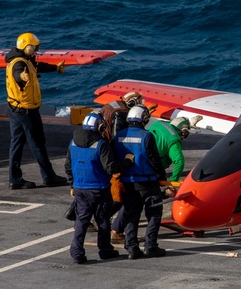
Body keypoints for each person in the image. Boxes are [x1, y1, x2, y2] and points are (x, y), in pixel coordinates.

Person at [5, 32, 68, 189]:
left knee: (16, 144)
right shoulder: (20, 64)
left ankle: (15, 179)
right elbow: (18, 74)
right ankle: (49, 176)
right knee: (37, 143)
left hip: (15, 109)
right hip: (26, 111)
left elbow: (38, 66)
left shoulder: (24, 60)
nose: (36, 51)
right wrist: (22, 77)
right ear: (26, 46)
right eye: (33, 48)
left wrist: (55, 68)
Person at [64, 112, 123, 264]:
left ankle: (76, 252)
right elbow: (111, 168)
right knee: (103, 220)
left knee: (81, 221)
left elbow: (68, 166)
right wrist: (127, 163)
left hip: (80, 188)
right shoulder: (101, 144)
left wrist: (72, 184)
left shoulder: (73, 142)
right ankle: (105, 250)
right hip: (99, 189)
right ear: (100, 126)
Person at [113, 106, 167, 259]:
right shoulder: (146, 136)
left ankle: (132, 248)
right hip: (147, 183)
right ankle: (150, 246)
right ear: (143, 118)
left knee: (131, 215)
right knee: (154, 215)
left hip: (128, 182)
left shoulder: (119, 136)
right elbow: (154, 160)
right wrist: (162, 177)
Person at [148, 116, 193, 186]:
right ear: (183, 132)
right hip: (149, 167)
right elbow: (179, 162)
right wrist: (173, 181)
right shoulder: (174, 140)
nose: (183, 139)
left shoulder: (159, 123)